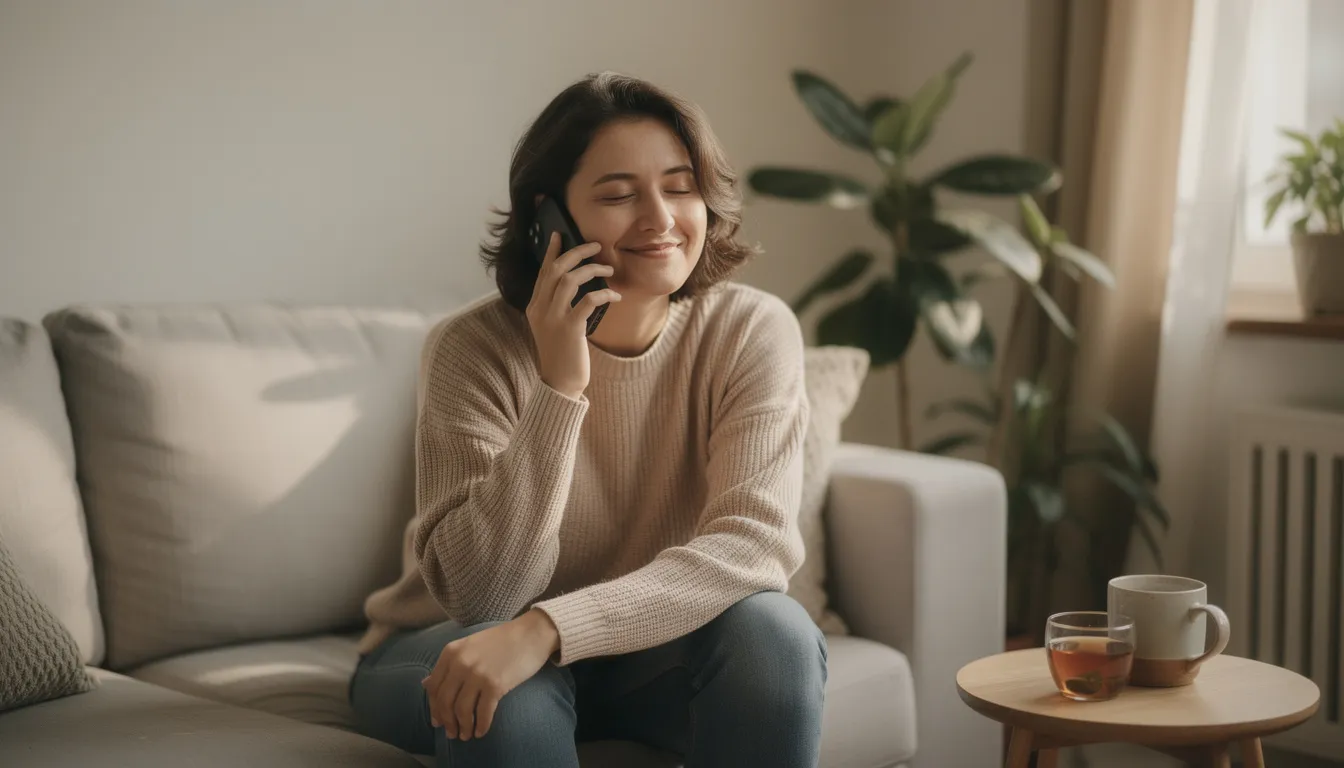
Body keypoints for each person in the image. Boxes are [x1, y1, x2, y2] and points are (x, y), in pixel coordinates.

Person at [348, 71, 826, 768]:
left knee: (773, 633)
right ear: (550, 219)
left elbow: (752, 549)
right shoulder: (471, 349)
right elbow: (487, 595)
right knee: (506, 695)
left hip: (628, 651)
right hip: (449, 645)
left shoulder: (751, 329)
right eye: (618, 194)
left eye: (680, 185)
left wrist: (550, 629)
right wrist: (560, 385)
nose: (661, 219)